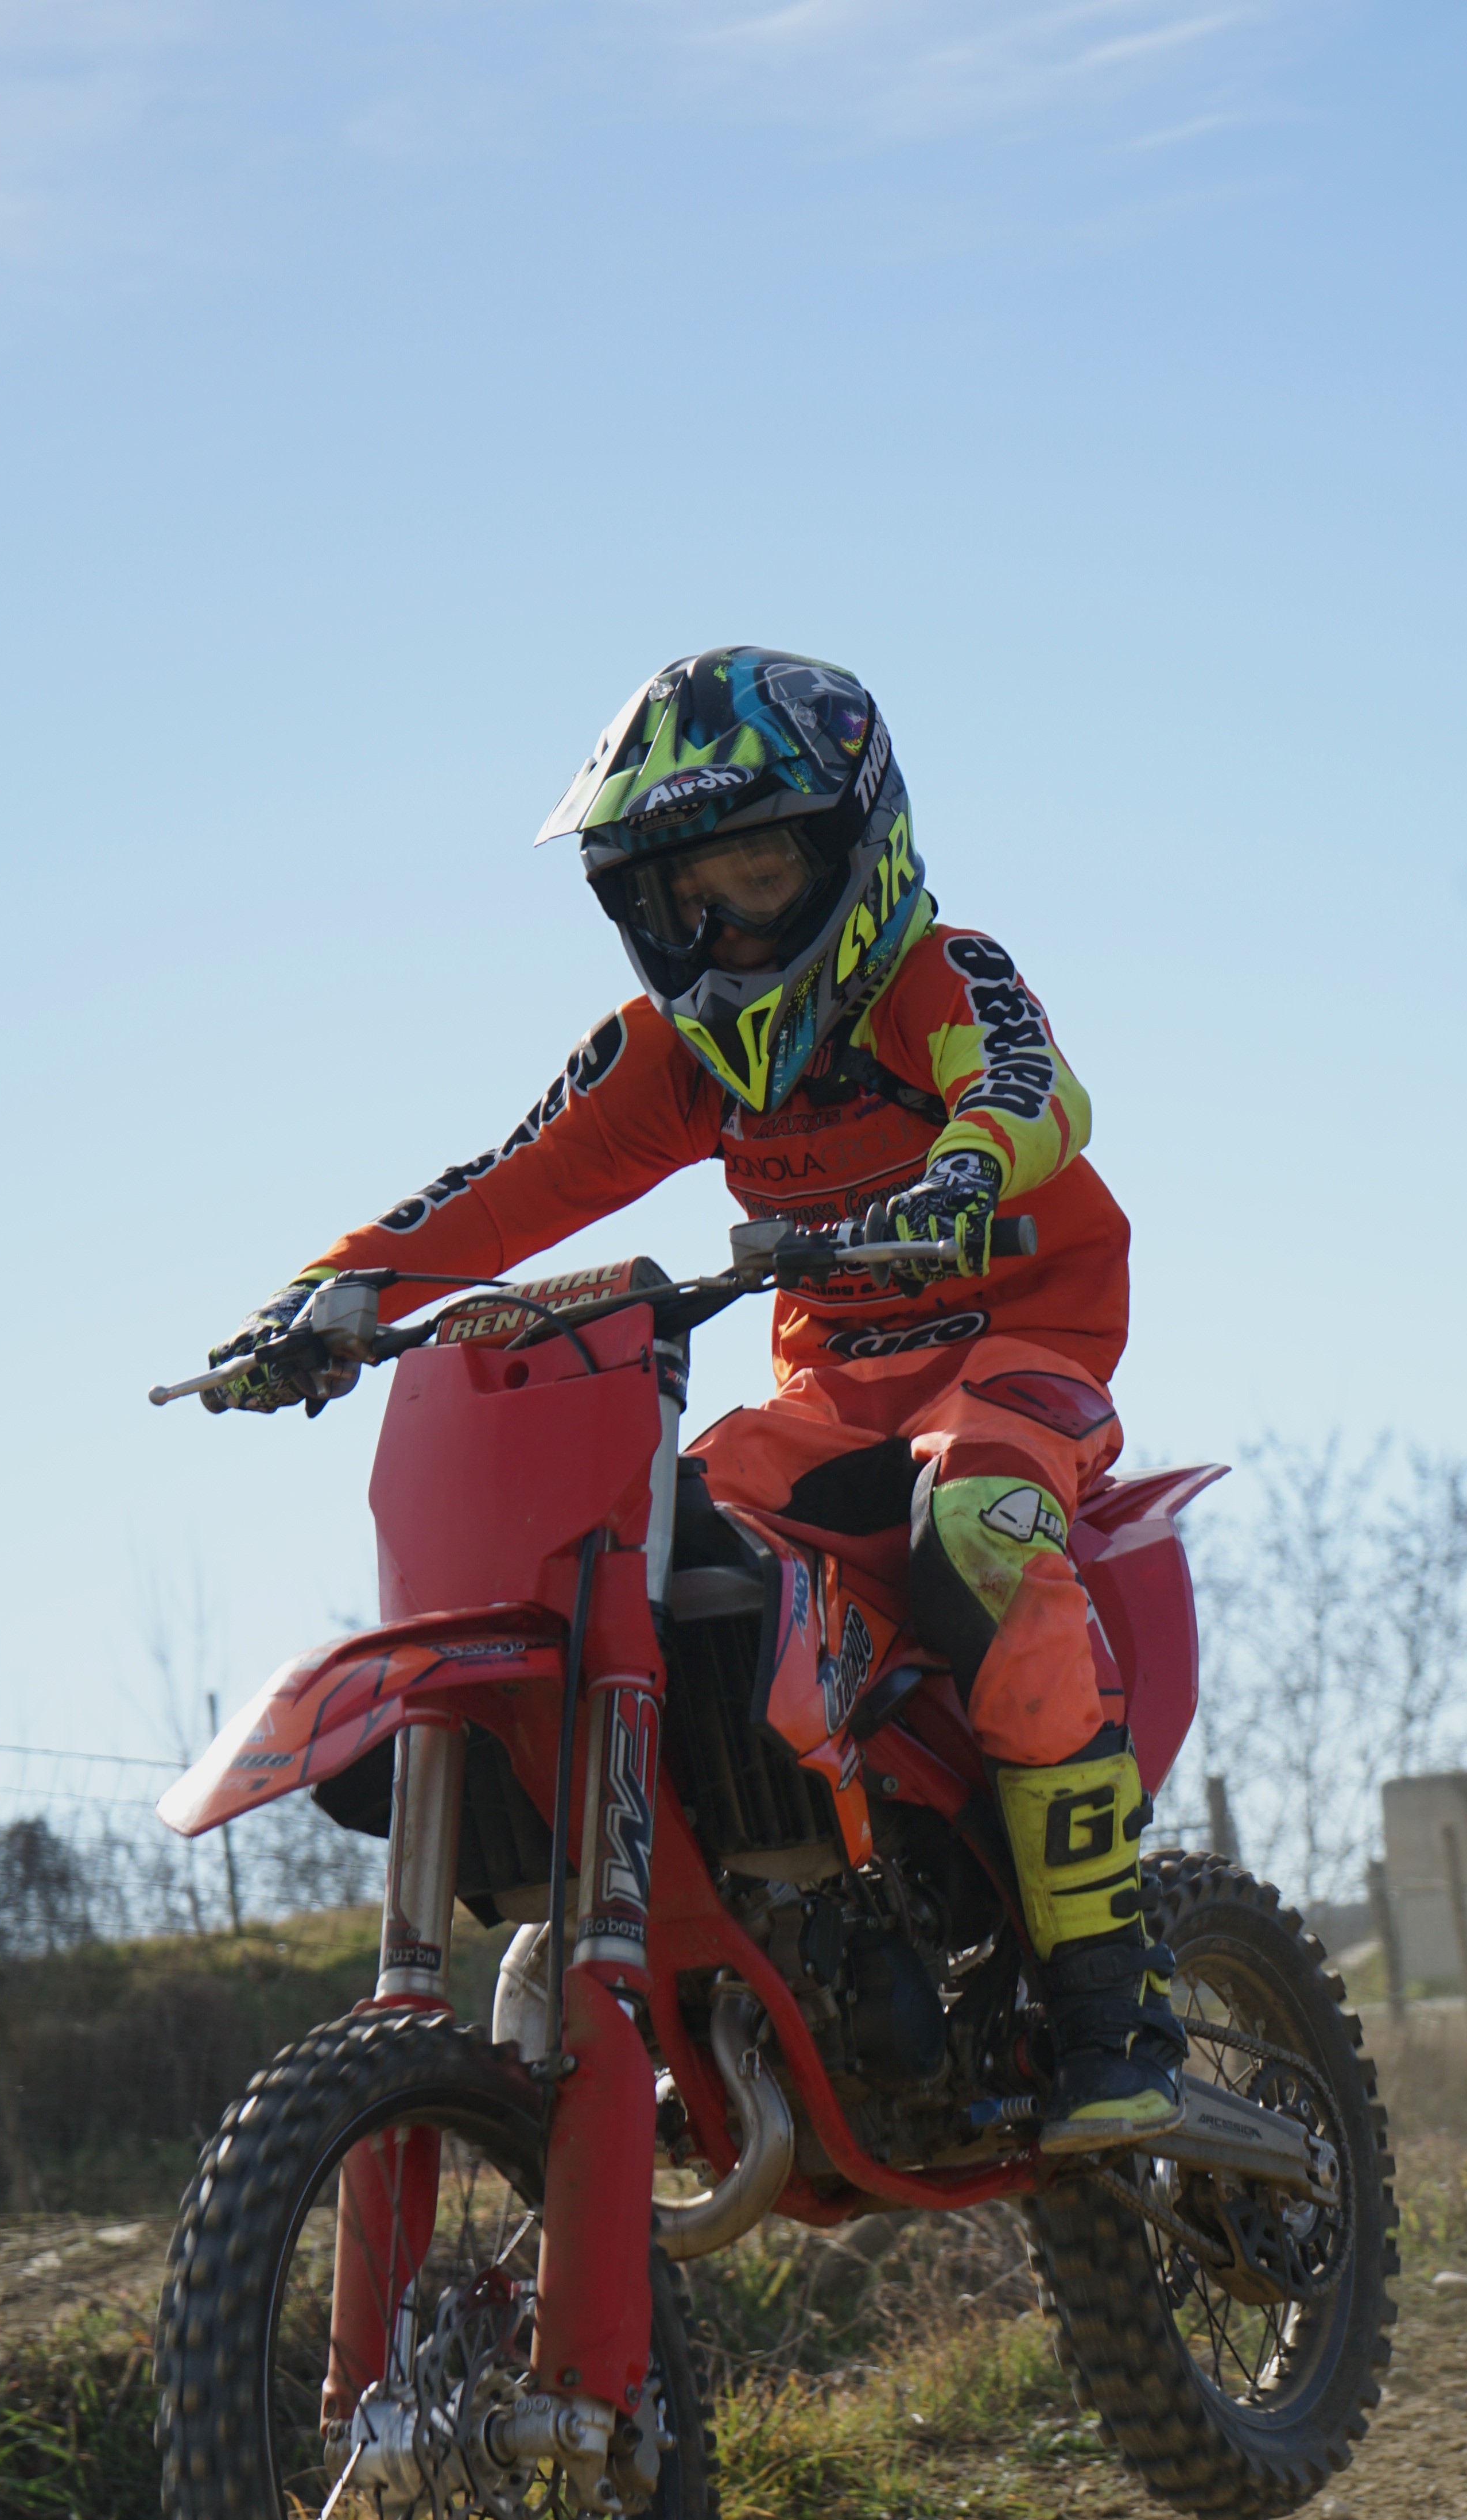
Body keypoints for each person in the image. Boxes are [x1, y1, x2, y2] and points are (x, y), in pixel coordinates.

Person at [205, 645, 1184, 2149]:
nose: (717, 925)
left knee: (981, 1525)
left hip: (1017, 1345)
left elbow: (1032, 1082)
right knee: (655, 1559)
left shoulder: (939, 974)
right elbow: (503, 1184)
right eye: (680, 894)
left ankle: (1118, 2010)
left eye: (755, 872)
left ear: (854, 847)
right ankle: (735, 1951)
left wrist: (970, 1165)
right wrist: (332, 1297)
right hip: (832, 1391)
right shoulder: (676, 1057)